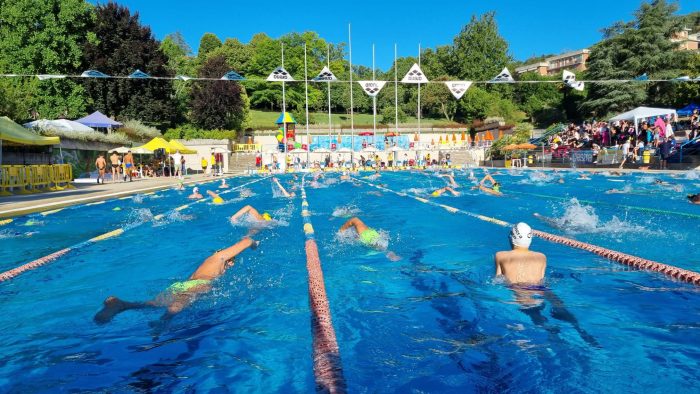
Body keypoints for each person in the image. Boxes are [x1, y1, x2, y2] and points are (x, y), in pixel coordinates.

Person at [94, 237, 259, 324]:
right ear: (230, 259)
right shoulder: (220, 257)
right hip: (198, 285)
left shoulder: (212, 262)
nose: (231, 266)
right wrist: (253, 244)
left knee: (153, 304)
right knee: (180, 303)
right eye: (232, 262)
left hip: (182, 284)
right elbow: (245, 241)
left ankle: (121, 304)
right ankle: (162, 324)